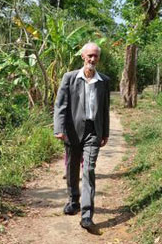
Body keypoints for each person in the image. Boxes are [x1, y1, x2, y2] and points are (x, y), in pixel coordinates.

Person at [53, 42, 110, 231]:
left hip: (93, 131)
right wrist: (59, 128)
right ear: (83, 57)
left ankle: (86, 215)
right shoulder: (69, 78)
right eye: (90, 56)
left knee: (89, 170)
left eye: (96, 56)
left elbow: (105, 109)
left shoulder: (104, 81)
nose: (92, 59)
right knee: (72, 169)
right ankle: (73, 201)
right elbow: (60, 105)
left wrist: (105, 132)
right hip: (71, 131)